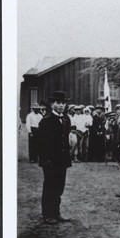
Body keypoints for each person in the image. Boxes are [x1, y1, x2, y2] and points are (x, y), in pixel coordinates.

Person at [37, 91, 72, 225]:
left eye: (63, 103)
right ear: (52, 104)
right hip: (50, 161)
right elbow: (41, 143)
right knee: (50, 186)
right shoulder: (46, 121)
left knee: (59, 187)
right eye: (58, 103)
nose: (61, 105)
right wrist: (46, 160)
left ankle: (56, 213)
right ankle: (47, 214)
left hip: (62, 160)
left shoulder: (66, 119)